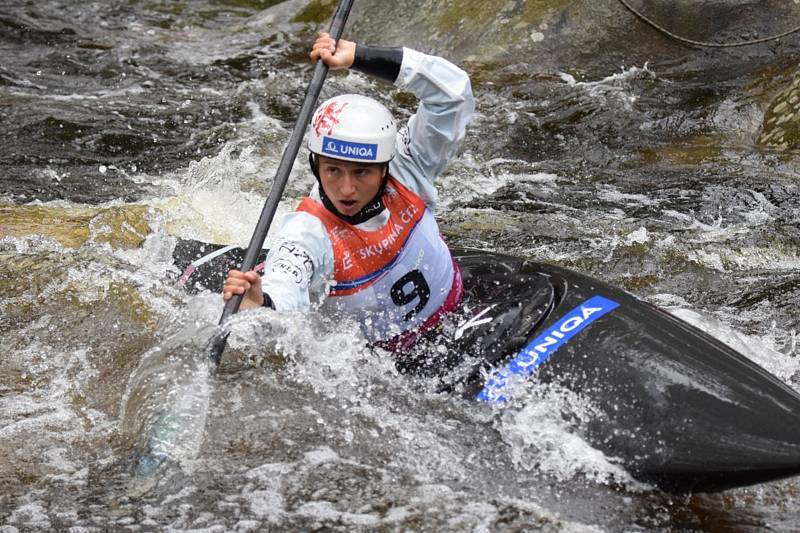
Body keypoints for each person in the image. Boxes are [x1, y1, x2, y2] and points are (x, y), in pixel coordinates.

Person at [222, 31, 474, 356]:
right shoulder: (306, 233)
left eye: (361, 172)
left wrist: (359, 56)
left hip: (461, 305)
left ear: (384, 167)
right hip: (393, 362)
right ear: (315, 165)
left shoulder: (409, 164)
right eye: (333, 170)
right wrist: (260, 303)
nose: (346, 189)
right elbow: (285, 291)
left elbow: (452, 94)